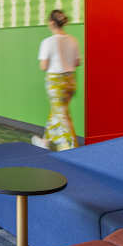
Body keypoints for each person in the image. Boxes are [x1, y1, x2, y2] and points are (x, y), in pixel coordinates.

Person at [32, 10, 80, 151]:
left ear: (52, 23)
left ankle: (71, 149)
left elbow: (43, 66)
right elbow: (77, 62)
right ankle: (45, 141)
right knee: (58, 111)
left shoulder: (48, 42)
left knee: (62, 115)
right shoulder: (73, 40)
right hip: (70, 80)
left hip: (56, 82)